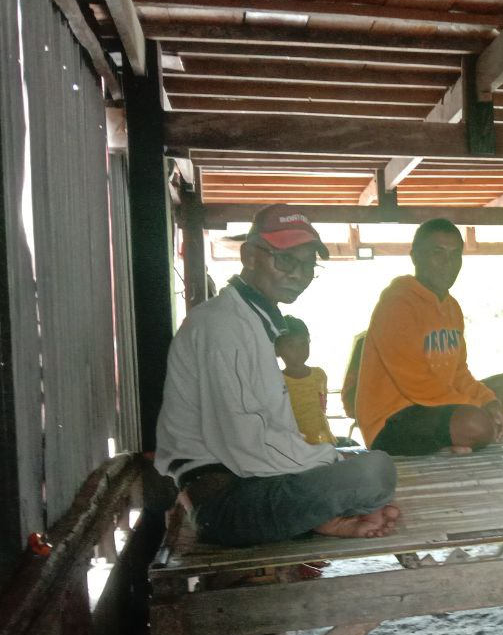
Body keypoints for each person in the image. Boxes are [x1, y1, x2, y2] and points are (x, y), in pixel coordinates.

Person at [155, 206, 400, 547]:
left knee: (364, 468)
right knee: (374, 470)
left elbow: (268, 436)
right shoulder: (222, 325)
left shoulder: (249, 322)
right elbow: (247, 443)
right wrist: (331, 460)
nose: (298, 274)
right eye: (285, 260)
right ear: (250, 256)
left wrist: (328, 464)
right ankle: (330, 513)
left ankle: (326, 517)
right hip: (224, 507)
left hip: (251, 484)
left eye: (308, 264)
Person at [356, 218, 503, 455]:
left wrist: (489, 402)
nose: (448, 263)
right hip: (391, 421)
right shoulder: (397, 303)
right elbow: (418, 383)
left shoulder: (451, 307)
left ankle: (453, 441)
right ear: (415, 256)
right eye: (438, 253)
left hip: (433, 408)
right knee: (476, 424)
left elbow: (459, 372)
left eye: (455, 255)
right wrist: (477, 408)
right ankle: (459, 438)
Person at [276, 315, 338, 446]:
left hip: (324, 443)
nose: (299, 350)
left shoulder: (319, 375)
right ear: (277, 350)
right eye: (291, 345)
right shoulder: (277, 380)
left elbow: (322, 410)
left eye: (303, 343)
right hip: (295, 446)